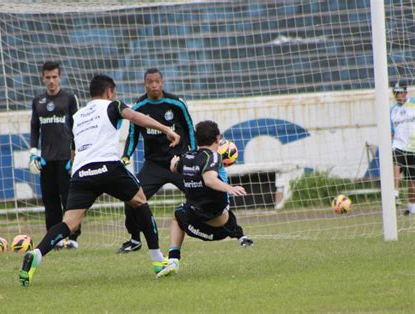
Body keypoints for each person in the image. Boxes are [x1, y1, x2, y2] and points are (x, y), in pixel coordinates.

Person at [19, 74, 181, 287]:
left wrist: (73, 166)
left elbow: (74, 148)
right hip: (108, 167)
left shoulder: (78, 116)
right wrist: (167, 129)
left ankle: (37, 254)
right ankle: (158, 260)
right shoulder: (113, 106)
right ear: (109, 92)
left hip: (81, 172)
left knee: (69, 223)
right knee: (140, 201)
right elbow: (135, 116)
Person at [156, 120, 253, 279]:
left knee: (177, 215)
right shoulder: (213, 156)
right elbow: (209, 180)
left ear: (196, 139)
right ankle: (240, 236)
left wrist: (174, 162)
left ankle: (173, 259)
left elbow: (174, 166)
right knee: (226, 215)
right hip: (217, 226)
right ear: (217, 138)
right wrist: (230, 188)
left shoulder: (188, 157)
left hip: (193, 221)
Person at [117, 68, 196, 253]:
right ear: (144, 84)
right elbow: (133, 135)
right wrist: (126, 155)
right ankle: (135, 239)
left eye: (157, 81)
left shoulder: (176, 103)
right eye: (150, 82)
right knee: (131, 198)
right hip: (153, 165)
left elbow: (190, 129)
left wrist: (192, 154)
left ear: (163, 82)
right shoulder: (138, 107)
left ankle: (230, 230)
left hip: (178, 162)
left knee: (202, 190)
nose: (154, 85)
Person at [29, 61, 81, 249]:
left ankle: (73, 237)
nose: (51, 81)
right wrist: (34, 153)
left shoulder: (68, 99)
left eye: (54, 77)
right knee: (50, 202)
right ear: (43, 78)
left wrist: (75, 156)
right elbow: (35, 128)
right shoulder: (38, 101)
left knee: (69, 200)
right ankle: (54, 239)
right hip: (47, 160)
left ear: (60, 77)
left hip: (66, 160)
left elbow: (77, 128)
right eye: (48, 77)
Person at [390, 80, 415, 216]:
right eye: (398, 93)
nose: (401, 95)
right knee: (395, 164)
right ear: (395, 94)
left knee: (412, 182)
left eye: (403, 92)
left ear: (406, 92)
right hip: (398, 145)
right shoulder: (392, 111)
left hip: (413, 147)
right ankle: (395, 194)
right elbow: (390, 130)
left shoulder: (413, 103)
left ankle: (412, 208)